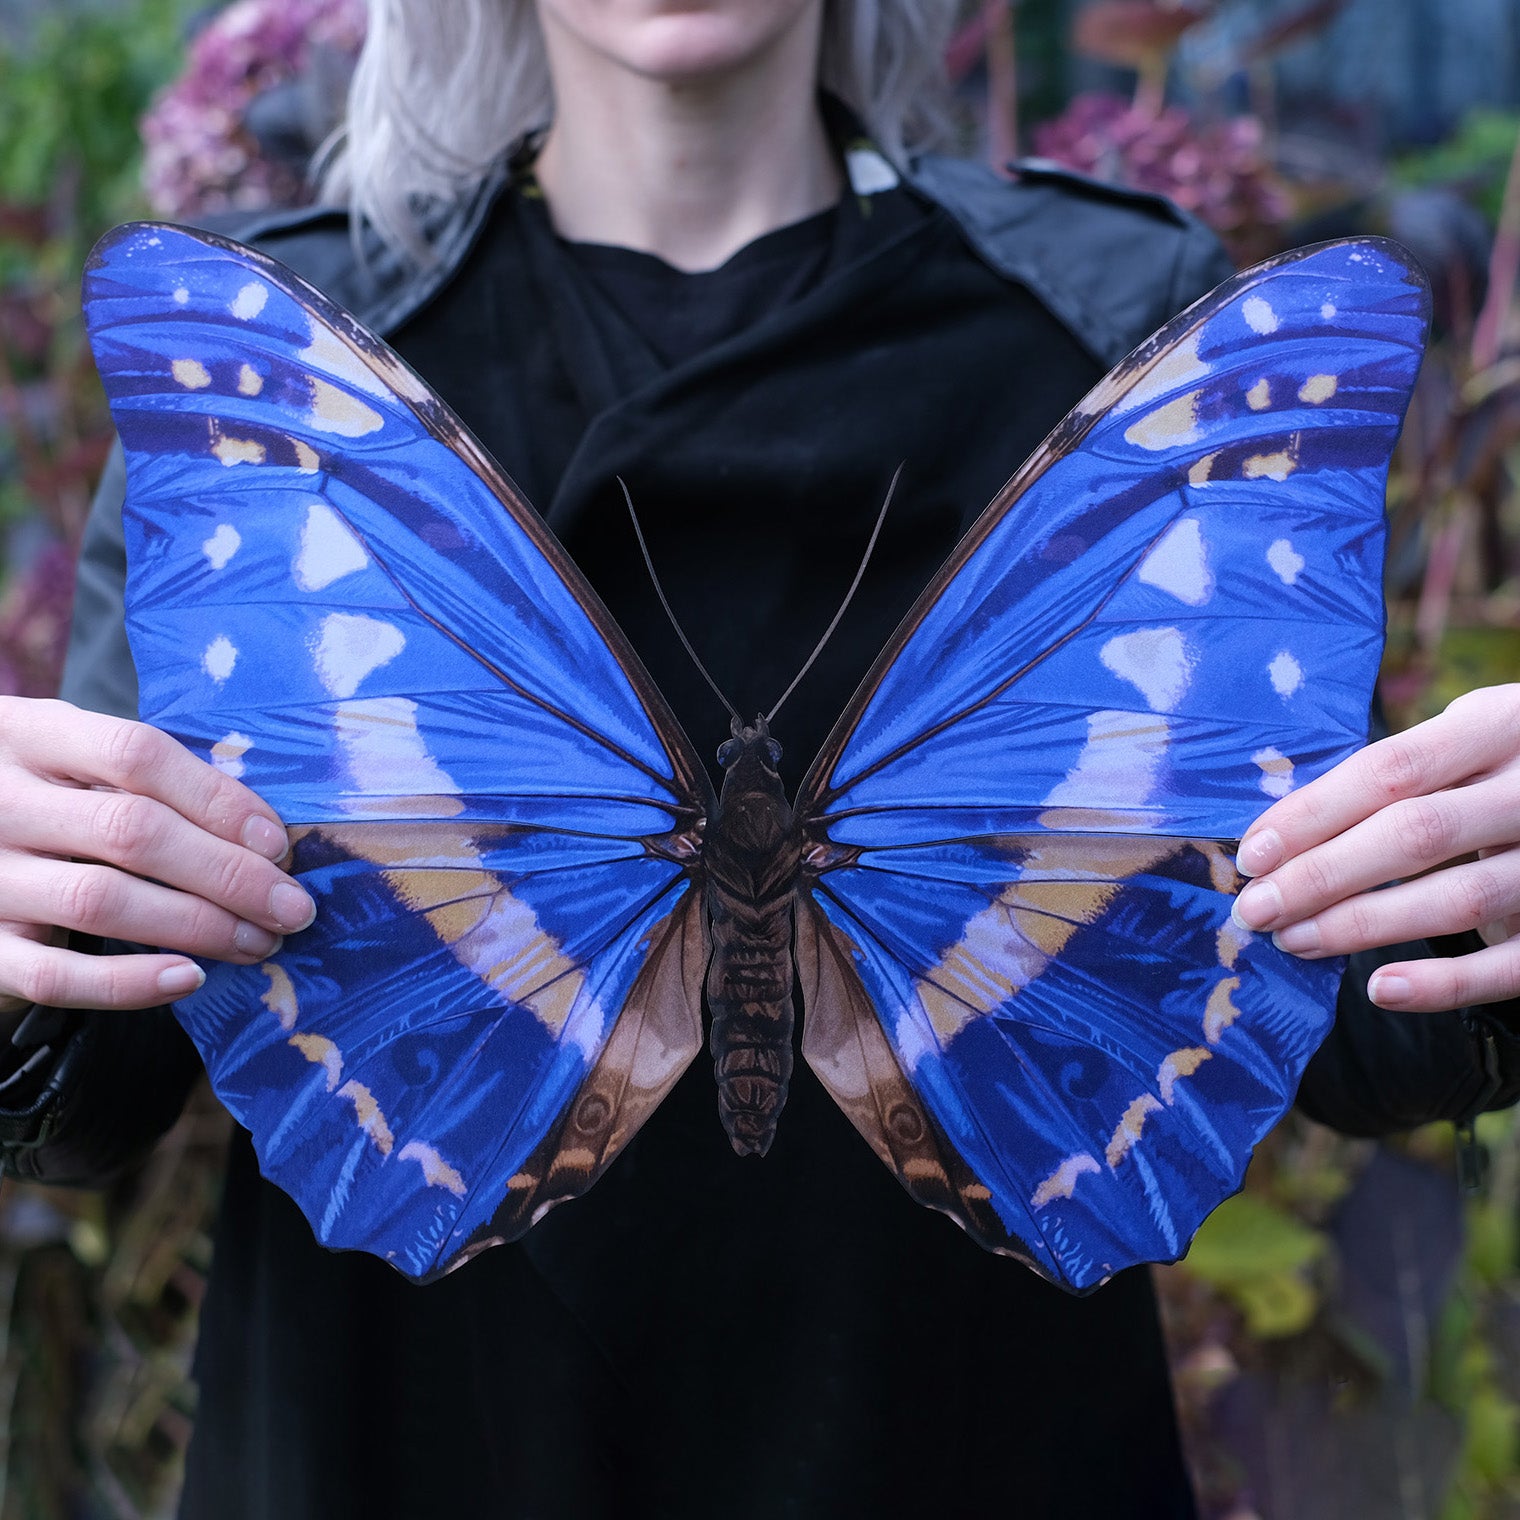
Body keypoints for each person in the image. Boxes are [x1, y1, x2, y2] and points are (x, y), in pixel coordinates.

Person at [0, 2, 1517, 1514]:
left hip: (956, 1451)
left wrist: (1474, 902)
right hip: (414, 1444)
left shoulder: (1106, 331)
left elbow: (1306, 968)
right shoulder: (294, 372)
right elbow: (92, 1069)